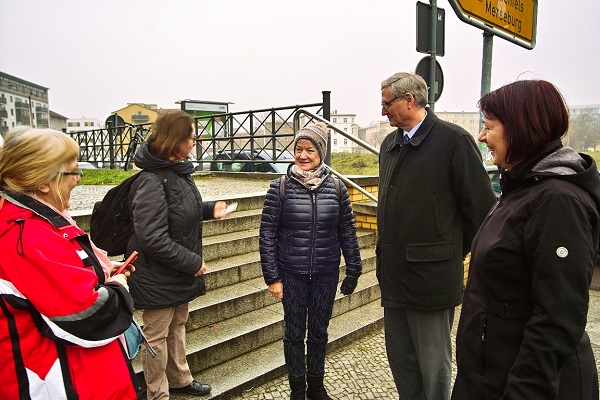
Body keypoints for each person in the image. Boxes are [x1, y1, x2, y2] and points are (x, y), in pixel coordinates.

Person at [452, 80, 600, 399]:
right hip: (489, 374)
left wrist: (523, 391)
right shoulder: (522, 189)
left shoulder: (558, 202)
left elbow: (557, 318)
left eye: (489, 126)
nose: (481, 136)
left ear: (520, 129)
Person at [377, 72, 496, 400]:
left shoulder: (453, 141)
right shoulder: (389, 145)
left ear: (409, 101)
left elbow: (483, 214)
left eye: (387, 103)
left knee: (434, 371)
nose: (383, 110)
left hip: (431, 281)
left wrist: (445, 253)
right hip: (394, 278)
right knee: (401, 362)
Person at [0, 127, 138, 399]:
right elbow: (88, 314)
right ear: (43, 182)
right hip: (63, 381)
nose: (78, 179)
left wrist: (101, 270)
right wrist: (118, 286)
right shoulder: (29, 237)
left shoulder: (32, 224)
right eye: (73, 171)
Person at [127, 110, 228, 399]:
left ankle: (180, 378)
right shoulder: (150, 180)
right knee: (156, 335)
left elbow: (179, 209)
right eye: (191, 137)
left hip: (176, 272)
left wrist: (209, 210)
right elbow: (151, 236)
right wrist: (192, 262)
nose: (195, 142)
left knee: (177, 326)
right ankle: (157, 393)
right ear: (176, 140)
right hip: (157, 273)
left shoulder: (177, 172)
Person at [259, 122, 363, 400]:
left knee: (319, 332)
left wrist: (354, 269)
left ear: (322, 153)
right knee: (293, 333)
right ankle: (297, 390)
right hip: (291, 274)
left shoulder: (337, 188)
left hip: (325, 274)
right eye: (298, 149)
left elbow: (347, 232)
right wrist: (273, 277)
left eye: (310, 150)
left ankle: (316, 388)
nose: (303, 155)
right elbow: (267, 234)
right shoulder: (279, 187)